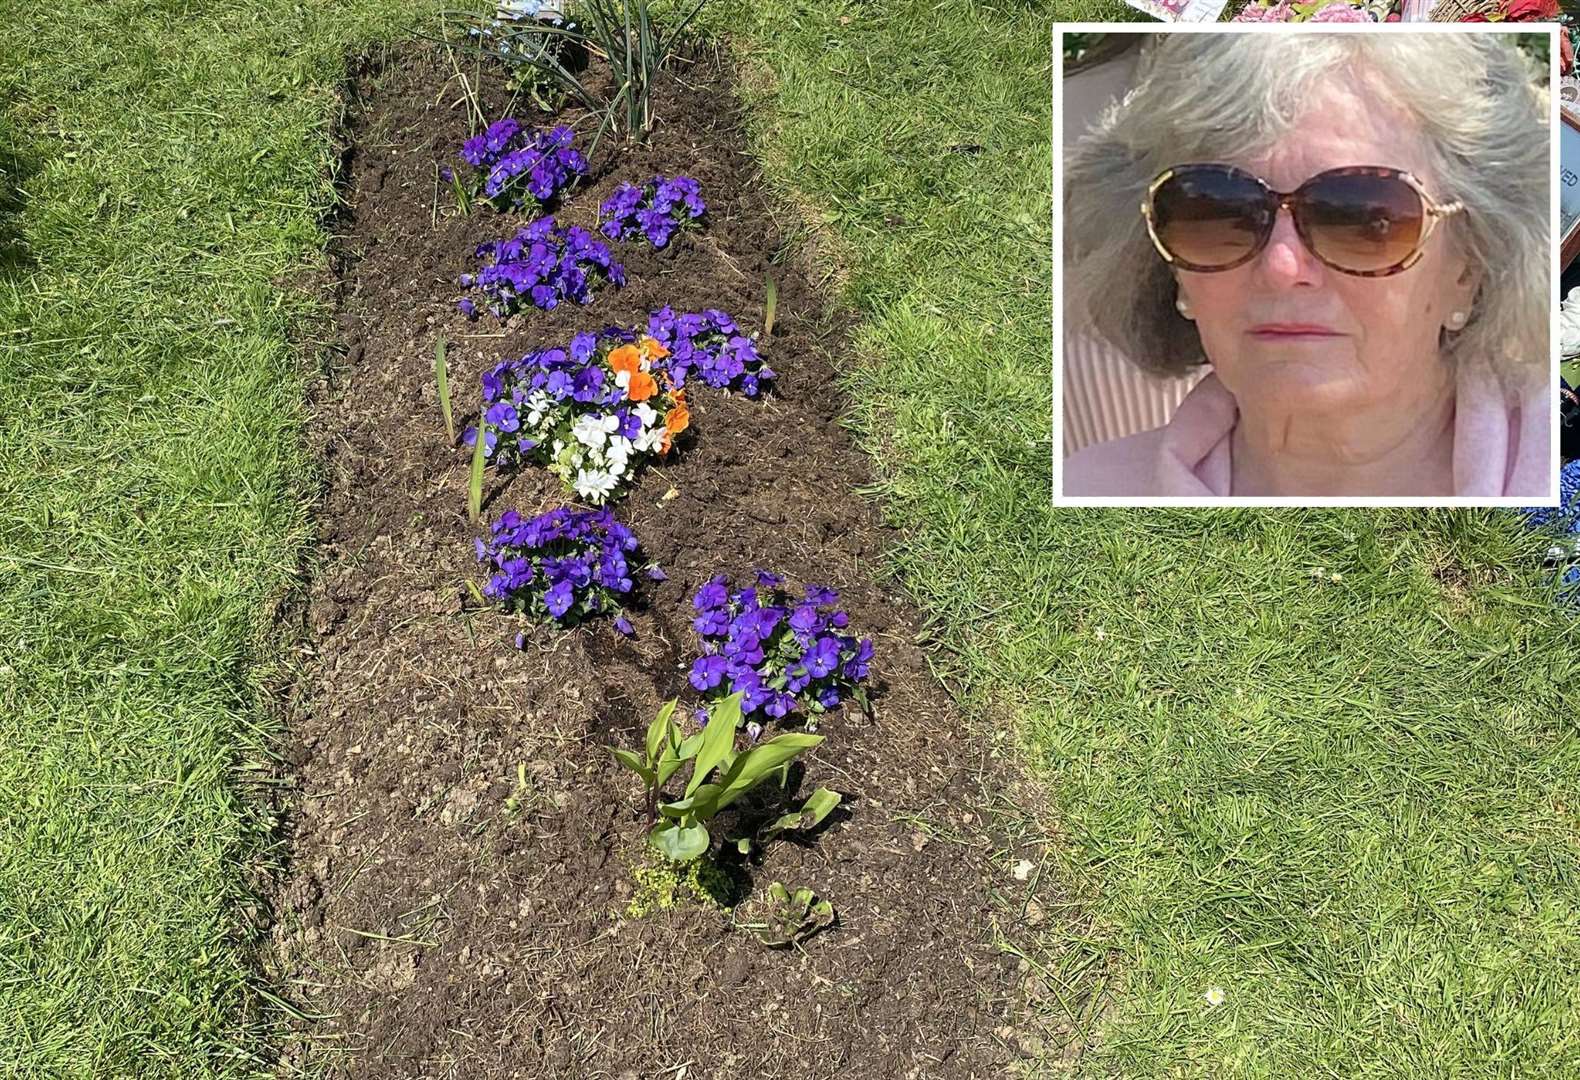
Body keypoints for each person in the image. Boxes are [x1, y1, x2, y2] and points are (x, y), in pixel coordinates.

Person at [1062, 33, 1550, 497]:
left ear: (1467, 267)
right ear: (1174, 271)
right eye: (1219, 212)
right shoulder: (1084, 491)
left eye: (1362, 217)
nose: (1280, 266)